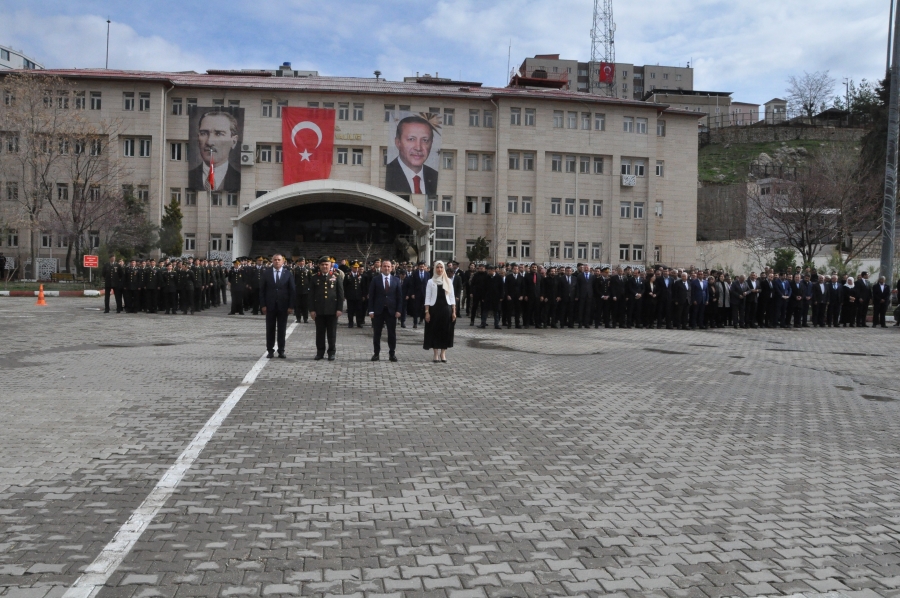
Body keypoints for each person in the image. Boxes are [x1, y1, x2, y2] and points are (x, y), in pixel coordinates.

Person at [188, 109, 241, 192]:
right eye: (204, 133)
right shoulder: (189, 176)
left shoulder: (238, 178)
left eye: (219, 134)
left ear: (233, 141)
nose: (209, 142)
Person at [384, 115, 438, 194]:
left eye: (425, 140)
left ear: (431, 144)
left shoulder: (435, 176)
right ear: (398, 142)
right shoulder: (388, 174)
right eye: (411, 139)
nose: (418, 148)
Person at [260, 254, 295, 359]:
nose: (277, 261)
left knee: (282, 329)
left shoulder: (288, 273)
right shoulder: (266, 273)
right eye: (275, 260)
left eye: (279, 260)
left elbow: (292, 290)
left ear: (283, 261)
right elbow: (262, 291)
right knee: (270, 329)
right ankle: (270, 350)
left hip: (283, 306)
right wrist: (263, 305)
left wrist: (291, 306)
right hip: (270, 306)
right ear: (272, 261)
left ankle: (281, 350)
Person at [309, 256, 344, 361]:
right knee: (320, 333)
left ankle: (331, 352)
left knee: (331, 333)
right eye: (323, 264)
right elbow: (311, 295)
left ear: (330, 265)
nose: (325, 266)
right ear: (319, 266)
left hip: (332, 310)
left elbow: (340, 294)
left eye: (327, 264)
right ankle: (320, 352)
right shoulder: (315, 277)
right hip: (319, 310)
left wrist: (339, 309)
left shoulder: (336, 276)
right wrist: (312, 310)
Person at [367, 259, 402, 362]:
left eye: (388, 266)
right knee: (377, 333)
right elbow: (371, 296)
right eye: (384, 266)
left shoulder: (396, 280)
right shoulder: (375, 279)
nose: (386, 268)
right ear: (381, 268)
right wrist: (371, 310)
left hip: (391, 311)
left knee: (392, 333)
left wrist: (399, 310)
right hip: (378, 311)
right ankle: (376, 353)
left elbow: (399, 297)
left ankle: (392, 354)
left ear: (392, 268)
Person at [423, 261, 456, 363]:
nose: (439, 269)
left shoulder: (448, 281)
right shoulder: (430, 282)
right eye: (437, 267)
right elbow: (427, 298)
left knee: (445, 331)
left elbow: (452, 297)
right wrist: (427, 312)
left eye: (441, 267)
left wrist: (454, 311)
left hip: (446, 309)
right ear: (434, 268)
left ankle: (443, 353)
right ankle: (436, 354)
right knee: (434, 331)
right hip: (434, 309)